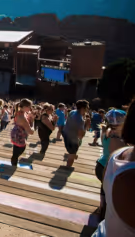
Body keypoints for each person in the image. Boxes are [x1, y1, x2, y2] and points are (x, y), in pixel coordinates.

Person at [92, 102, 135, 237]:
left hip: (105, 164)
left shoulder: (107, 131)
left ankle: (103, 210)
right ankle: (102, 210)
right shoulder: (115, 137)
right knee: (105, 195)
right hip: (107, 166)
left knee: (105, 193)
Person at [94, 108, 126, 220]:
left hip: (100, 165)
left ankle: (101, 208)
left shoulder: (106, 131)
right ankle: (104, 214)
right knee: (110, 193)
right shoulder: (117, 138)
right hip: (110, 168)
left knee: (104, 188)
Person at [63, 100, 91, 167]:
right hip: (73, 138)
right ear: (83, 108)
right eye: (87, 107)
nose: (88, 109)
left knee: (71, 152)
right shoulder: (80, 119)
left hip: (66, 134)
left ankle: (71, 157)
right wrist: (86, 125)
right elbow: (80, 136)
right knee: (72, 153)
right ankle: (68, 168)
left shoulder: (72, 112)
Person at [10, 99, 35, 167]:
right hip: (19, 135)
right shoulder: (22, 117)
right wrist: (33, 121)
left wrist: (29, 117)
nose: (31, 108)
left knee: (16, 149)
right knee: (21, 149)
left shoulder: (20, 112)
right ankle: (14, 162)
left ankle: (14, 162)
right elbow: (31, 131)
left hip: (16, 133)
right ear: (25, 107)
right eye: (30, 106)